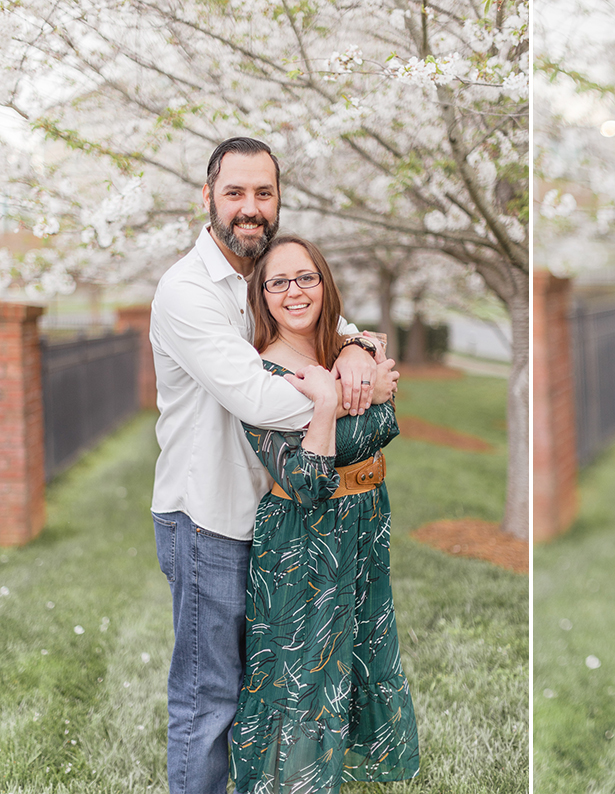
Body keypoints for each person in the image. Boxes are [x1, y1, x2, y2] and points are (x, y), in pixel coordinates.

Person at [150, 137, 383, 794]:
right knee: (209, 705)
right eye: (235, 193)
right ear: (208, 198)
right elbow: (256, 396)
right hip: (210, 522)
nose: (250, 208)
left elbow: (333, 323)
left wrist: (359, 347)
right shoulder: (186, 290)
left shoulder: (269, 274)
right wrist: (342, 393)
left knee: (269, 705)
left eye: (263, 193)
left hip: (277, 526)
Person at [228, 235, 417, 792]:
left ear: (324, 282)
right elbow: (306, 481)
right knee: (302, 680)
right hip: (301, 539)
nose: (294, 291)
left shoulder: (341, 349)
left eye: (305, 277)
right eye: (278, 282)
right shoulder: (260, 375)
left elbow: (389, 423)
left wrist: (357, 356)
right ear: (261, 297)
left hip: (363, 524)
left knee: (356, 660)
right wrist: (336, 403)